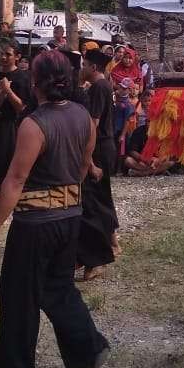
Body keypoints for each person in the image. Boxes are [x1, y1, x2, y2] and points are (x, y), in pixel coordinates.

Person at [0, 50, 109, 368]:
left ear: (37, 83)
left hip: (36, 224)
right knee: (58, 287)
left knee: (21, 297)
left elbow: (15, 180)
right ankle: (89, 348)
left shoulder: (34, 124)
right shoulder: (81, 115)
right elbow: (82, 166)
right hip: (69, 218)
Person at [78, 50, 121, 278]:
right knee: (101, 196)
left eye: (84, 64)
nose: (81, 69)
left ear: (94, 67)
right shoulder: (103, 86)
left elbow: (92, 124)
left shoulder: (98, 88)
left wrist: (88, 157)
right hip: (105, 146)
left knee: (94, 200)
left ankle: (100, 253)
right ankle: (111, 243)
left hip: (99, 148)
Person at [0, 40, 32, 211]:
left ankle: (5, 210)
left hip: (9, 127)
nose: (3, 57)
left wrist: (8, 91)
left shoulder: (23, 77)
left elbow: (22, 108)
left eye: (8, 54)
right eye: (1, 53)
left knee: (5, 166)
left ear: (17, 57)